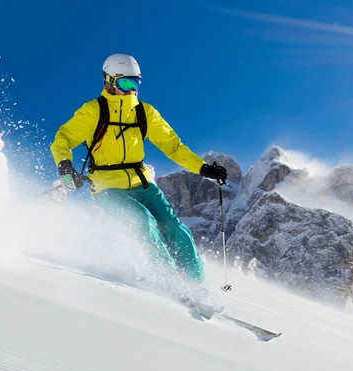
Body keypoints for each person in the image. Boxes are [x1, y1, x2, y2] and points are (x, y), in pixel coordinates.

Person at [50, 54, 227, 284]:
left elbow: (173, 147)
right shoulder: (94, 111)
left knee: (174, 227)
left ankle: (196, 286)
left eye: (136, 83)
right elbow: (62, 139)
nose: (132, 90)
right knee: (143, 222)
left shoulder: (145, 112)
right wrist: (66, 168)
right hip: (107, 187)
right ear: (109, 82)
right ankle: (170, 282)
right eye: (126, 83)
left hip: (142, 184)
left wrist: (203, 168)